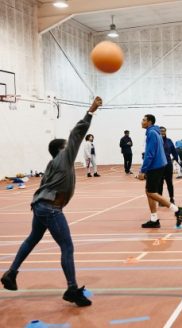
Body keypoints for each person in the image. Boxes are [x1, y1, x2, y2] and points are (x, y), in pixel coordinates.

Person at [1, 97, 103, 306]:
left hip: (40, 205)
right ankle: (72, 289)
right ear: (62, 149)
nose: (71, 148)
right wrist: (91, 110)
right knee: (67, 246)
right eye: (67, 147)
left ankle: (10, 273)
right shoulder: (64, 157)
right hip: (50, 208)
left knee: (32, 239)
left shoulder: (52, 164)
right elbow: (77, 133)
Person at [138, 114, 182, 229]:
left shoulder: (151, 133)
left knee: (151, 193)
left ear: (149, 122)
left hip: (155, 166)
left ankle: (177, 209)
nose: (141, 122)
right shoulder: (155, 132)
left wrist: (142, 170)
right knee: (148, 191)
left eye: (144, 120)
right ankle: (154, 219)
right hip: (158, 165)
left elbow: (150, 154)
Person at [158, 126, 180, 204]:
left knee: (169, 182)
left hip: (168, 164)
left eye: (164, 131)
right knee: (160, 183)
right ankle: (160, 200)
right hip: (159, 165)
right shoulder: (157, 141)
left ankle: (172, 198)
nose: (162, 132)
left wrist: (176, 160)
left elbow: (174, 152)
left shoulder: (169, 141)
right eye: (161, 131)